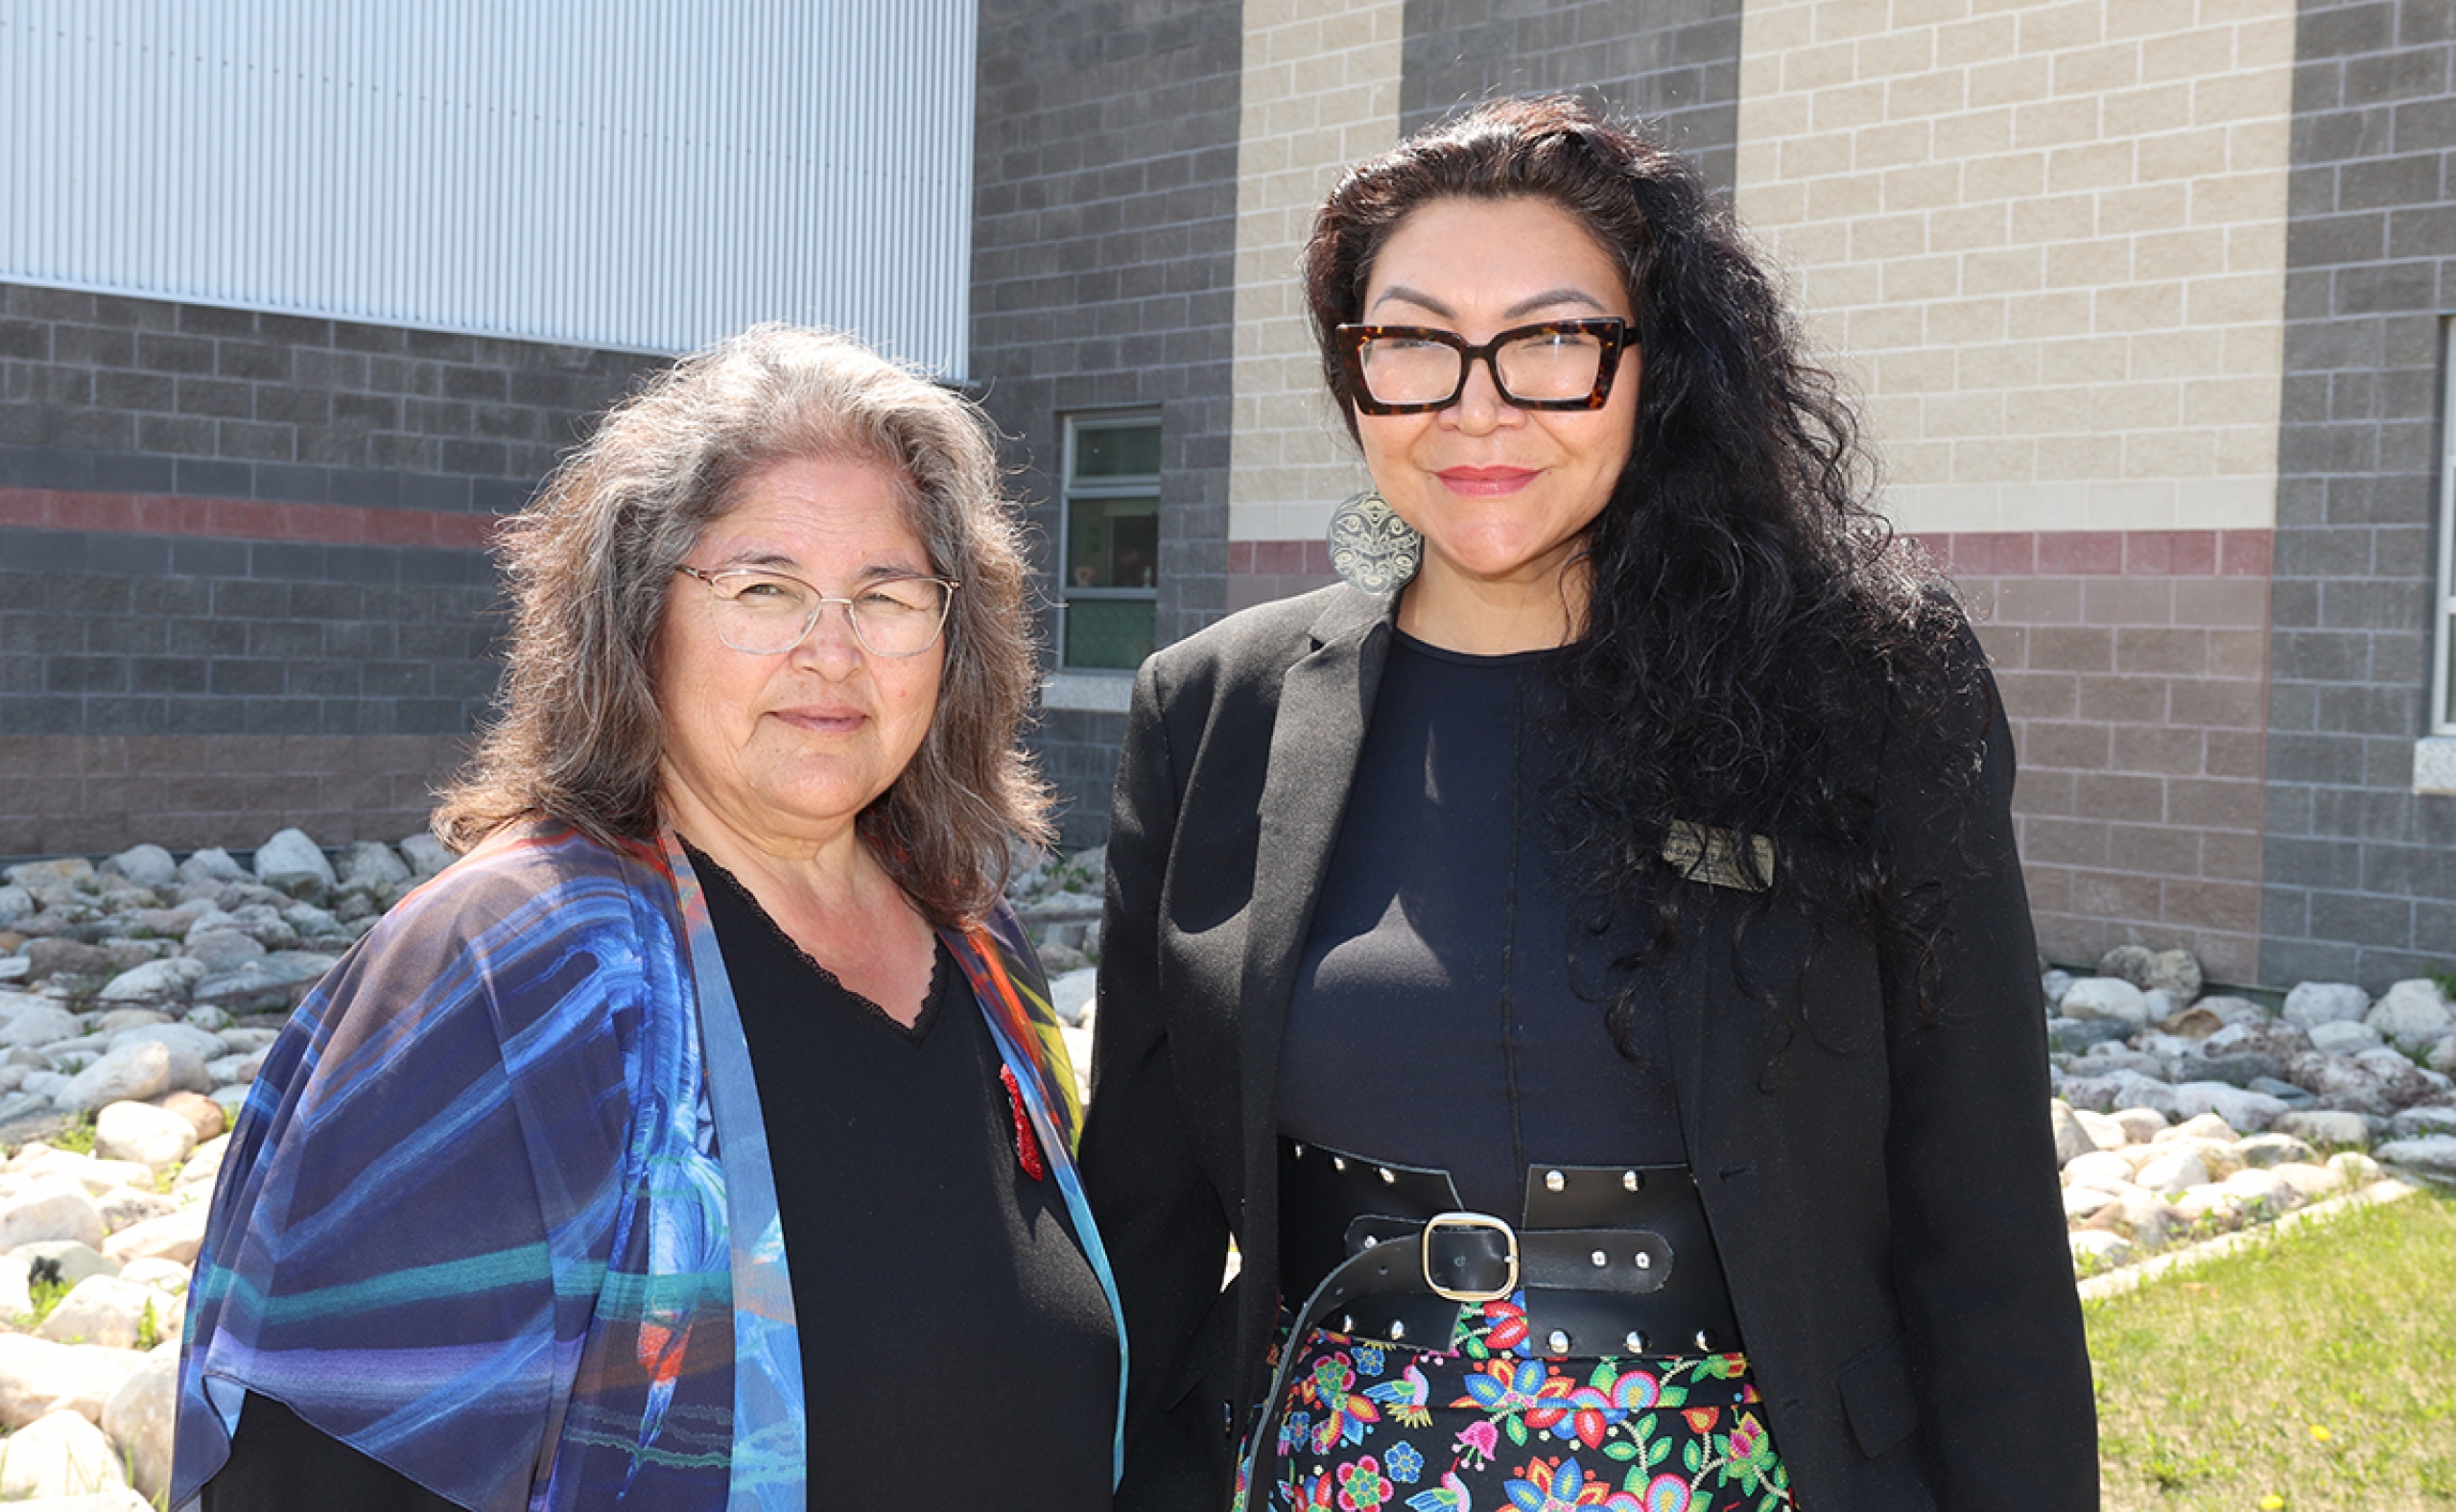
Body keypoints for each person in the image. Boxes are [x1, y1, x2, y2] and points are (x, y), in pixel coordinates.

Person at [1079, 96, 2095, 1512]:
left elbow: (1985, 1222)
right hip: (1334, 1473)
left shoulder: (1864, 688)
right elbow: (1144, 1226)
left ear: (1655, 366)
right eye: (1414, 341)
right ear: (1354, 372)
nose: (1475, 405)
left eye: (1552, 339)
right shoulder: (1209, 711)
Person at [174, 325, 1127, 1512]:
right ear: (637, 620)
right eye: (765, 589)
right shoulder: (513, 969)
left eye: (885, 596)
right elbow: (317, 1479)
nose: (832, 653)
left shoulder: (977, 946)